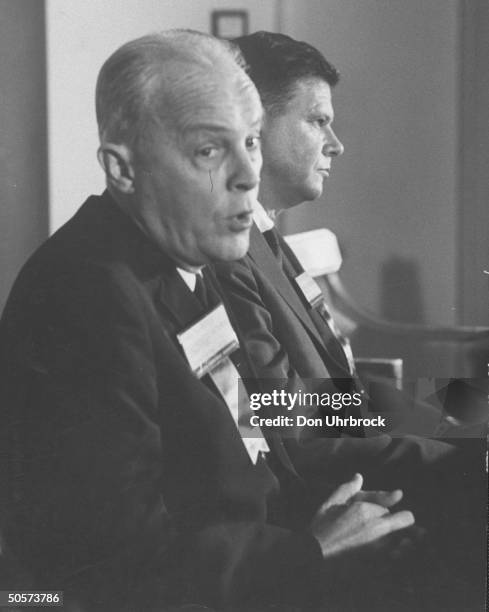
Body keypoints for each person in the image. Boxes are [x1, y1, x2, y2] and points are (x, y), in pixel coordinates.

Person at [0, 30, 415, 611]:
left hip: (279, 533)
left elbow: (256, 431)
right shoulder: (89, 292)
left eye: (251, 141)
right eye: (209, 151)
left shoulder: (189, 257)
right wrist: (310, 550)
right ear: (123, 169)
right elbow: (110, 567)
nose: (250, 172)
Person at [214, 31, 487, 609]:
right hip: (342, 495)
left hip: (369, 453)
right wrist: (465, 449)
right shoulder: (229, 255)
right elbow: (278, 416)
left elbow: (345, 394)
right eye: (317, 121)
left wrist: (471, 407)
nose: (336, 145)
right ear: (254, 128)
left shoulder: (266, 238)